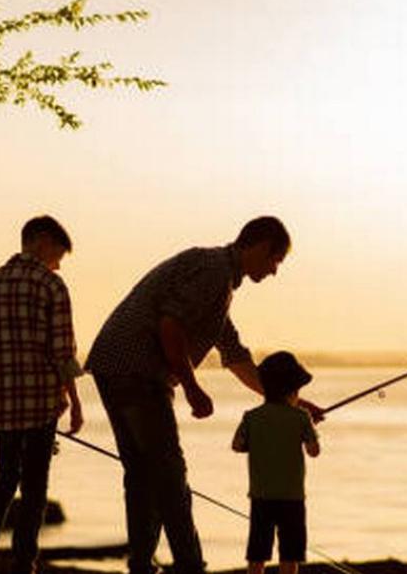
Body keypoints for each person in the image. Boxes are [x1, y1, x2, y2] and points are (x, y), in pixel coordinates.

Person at [85, 216, 322, 574]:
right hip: (135, 370)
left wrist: (291, 401)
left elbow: (235, 355)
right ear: (259, 246)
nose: (274, 271)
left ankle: (141, 565)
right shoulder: (214, 271)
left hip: (113, 365)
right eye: (275, 260)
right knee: (168, 473)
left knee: (142, 475)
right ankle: (190, 566)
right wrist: (192, 387)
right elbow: (170, 326)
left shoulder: (219, 284)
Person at [0, 215, 84, 574]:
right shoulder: (51, 286)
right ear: (42, 242)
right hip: (42, 403)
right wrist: (74, 403)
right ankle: (24, 564)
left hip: (2, 405)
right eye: (58, 254)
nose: (58, 264)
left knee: (4, 477)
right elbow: (63, 354)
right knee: (34, 487)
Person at [232, 351, 320, 574]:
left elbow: (237, 445)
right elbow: (313, 451)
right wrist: (310, 429)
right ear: (293, 389)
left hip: (261, 496)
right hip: (292, 498)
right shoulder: (302, 417)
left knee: (257, 552)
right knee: (290, 554)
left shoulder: (251, 416)